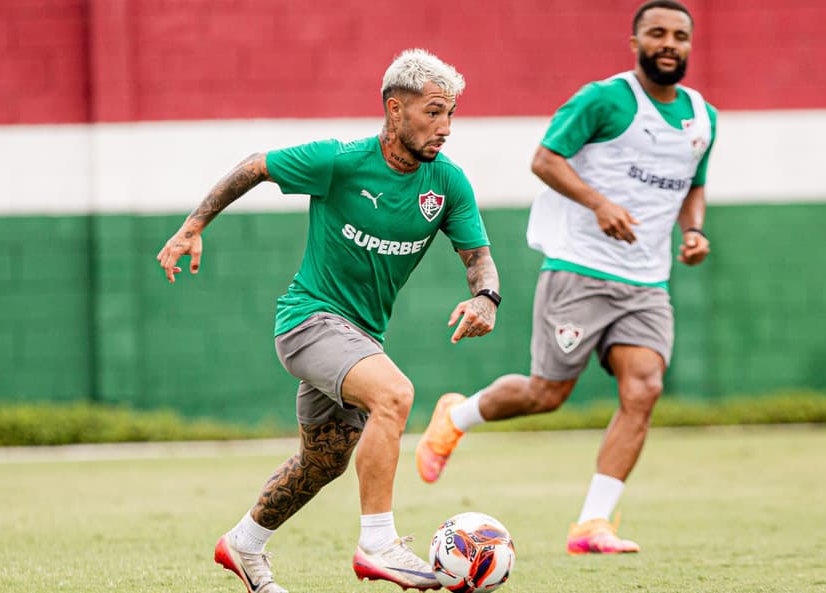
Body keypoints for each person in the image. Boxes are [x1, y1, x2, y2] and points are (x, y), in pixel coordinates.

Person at [156, 48, 501, 593]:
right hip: (308, 320)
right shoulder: (339, 161)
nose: (446, 127)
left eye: (451, 114)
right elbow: (257, 165)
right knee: (395, 395)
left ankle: (243, 544)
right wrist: (193, 226)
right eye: (434, 112)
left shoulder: (448, 183)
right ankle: (378, 544)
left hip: (360, 336)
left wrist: (486, 297)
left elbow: (477, 255)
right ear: (395, 110)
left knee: (324, 461)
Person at [415, 0, 716, 555]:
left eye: (680, 35)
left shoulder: (704, 117)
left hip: (647, 283)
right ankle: (455, 416)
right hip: (580, 269)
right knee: (547, 393)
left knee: (645, 388)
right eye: (657, 33)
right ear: (636, 43)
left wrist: (692, 230)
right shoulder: (604, 99)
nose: (669, 44)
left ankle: (592, 524)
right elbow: (545, 159)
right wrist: (599, 204)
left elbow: (693, 183)